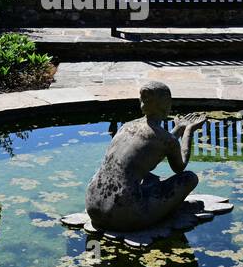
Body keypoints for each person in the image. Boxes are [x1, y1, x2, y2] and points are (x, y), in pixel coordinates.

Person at [85, 80, 206, 231]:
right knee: (189, 178)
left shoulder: (126, 126)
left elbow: (158, 145)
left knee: (147, 177)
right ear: (165, 104)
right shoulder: (165, 139)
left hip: (93, 206)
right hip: (124, 215)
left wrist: (177, 129)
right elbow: (179, 167)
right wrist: (188, 130)